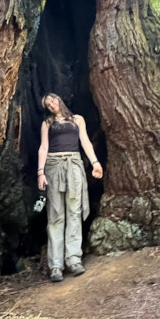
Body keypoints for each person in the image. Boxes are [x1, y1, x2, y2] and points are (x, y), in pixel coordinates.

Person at [37, 93, 103, 282]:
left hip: (74, 164)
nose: (51, 105)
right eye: (47, 104)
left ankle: (73, 259)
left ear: (60, 99)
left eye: (53, 100)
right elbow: (43, 147)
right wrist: (40, 172)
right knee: (56, 215)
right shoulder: (47, 124)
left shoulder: (77, 120)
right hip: (53, 165)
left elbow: (85, 142)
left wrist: (95, 162)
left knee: (74, 211)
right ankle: (56, 265)